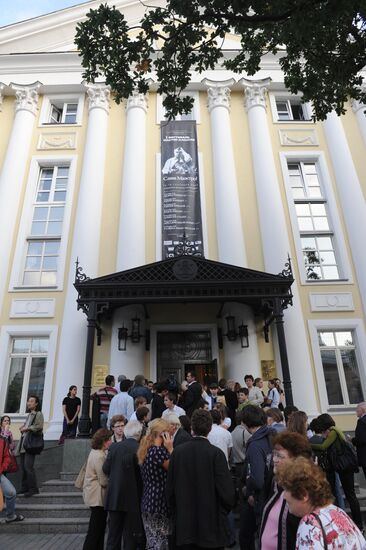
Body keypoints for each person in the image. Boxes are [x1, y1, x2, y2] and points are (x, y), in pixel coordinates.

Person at [166, 409, 236, 549]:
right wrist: (221, 512)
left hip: (185, 526)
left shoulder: (178, 453)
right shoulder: (216, 454)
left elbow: (170, 490)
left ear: (192, 428)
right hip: (211, 526)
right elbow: (227, 493)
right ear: (210, 428)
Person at [277, 457, 366, 550]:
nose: (284, 496)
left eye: (287, 490)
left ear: (303, 494)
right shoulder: (337, 512)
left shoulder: (309, 524)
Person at [259, 431, 313, 550]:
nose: (275, 459)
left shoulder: (303, 493)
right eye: (274, 454)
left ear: (296, 460)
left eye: (280, 456)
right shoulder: (275, 483)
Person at [310, 413, 363, 531]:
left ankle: (358, 524)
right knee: (350, 495)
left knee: (350, 495)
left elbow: (324, 446)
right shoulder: (333, 430)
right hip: (343, 467)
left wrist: (309, 444)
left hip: (345, 467)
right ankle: (357, 523)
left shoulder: (333, 432)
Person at [103, 421, 145, 550]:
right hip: (133, 498)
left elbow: (105, 468)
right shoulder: (140, 449)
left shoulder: (115, 447)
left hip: (114, 496)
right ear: (139, 434)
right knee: (129, 536)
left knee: (113, 535)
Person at [239, 405, 273, 550]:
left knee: (248, 536)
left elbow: (257, 478)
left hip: (260, 497)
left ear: (245, 422)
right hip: (272, 494)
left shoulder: (255, 445)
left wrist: (249, 490)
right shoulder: (271, 436)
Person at [137, 418, 173, 549]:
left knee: (152, 542)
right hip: (159, 503)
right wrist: (171, 448)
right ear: (163, 434)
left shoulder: (147, 450)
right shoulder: (159, 452)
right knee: (160, 543)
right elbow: (176, 468)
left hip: (148, 501)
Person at [82, 428, 112, 550]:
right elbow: (103, 480)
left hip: (93, 494)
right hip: (97, 496)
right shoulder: (99, 456)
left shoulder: (94, 452)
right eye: (109, 439)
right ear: (104, 441)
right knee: (96, 529)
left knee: (98, 528)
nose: (111, 441)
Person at [16, 395, 44, 497]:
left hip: (30, 444)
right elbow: (28, 427)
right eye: (28, 401)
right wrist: (23, 427)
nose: (29, 403)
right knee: (23, 467)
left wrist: (27, 428)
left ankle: (33, 489)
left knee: (28, 467)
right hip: (24, 443)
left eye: (31, 401)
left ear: (36, 404)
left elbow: (39, 426)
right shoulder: (29, 415)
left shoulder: (38, 414)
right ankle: (24, 487)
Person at [0, 433, 24, 523]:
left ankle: (10, 516)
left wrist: (2, 468)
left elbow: (6, 457)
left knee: (11, 492)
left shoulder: (2, 440)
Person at [352, 401, 366, 480]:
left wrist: (352, 440)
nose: (356, 412)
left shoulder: (361, 421)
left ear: (363, 410)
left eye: (357, 410)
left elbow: (362, 439)